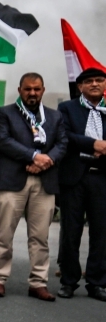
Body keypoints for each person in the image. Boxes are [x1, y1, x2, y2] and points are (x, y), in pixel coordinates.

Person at [0, 73, 66, 301]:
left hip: (45, 181)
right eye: (28, 89)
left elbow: (62, 144)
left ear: (43, 90)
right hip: (12, 180)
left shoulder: (54, 116)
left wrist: (45, 161)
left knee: (40, 236)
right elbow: (2, 140)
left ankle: (38, 283)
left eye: (37, 89)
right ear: (20, 89)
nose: (32, 93)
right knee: (4, 233)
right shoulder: (4, 113)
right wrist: (33, 157)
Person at [56, 66, 106, 300]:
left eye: (99, 80)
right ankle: (69, 281)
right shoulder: (67, 108)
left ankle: (97, 282)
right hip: (75, 177)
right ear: (80, 87)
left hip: (101, 178)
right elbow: (64, 135)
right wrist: (92, 144)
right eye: (89, 81)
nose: (95, 84)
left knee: (101, 232)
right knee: (71, 231)